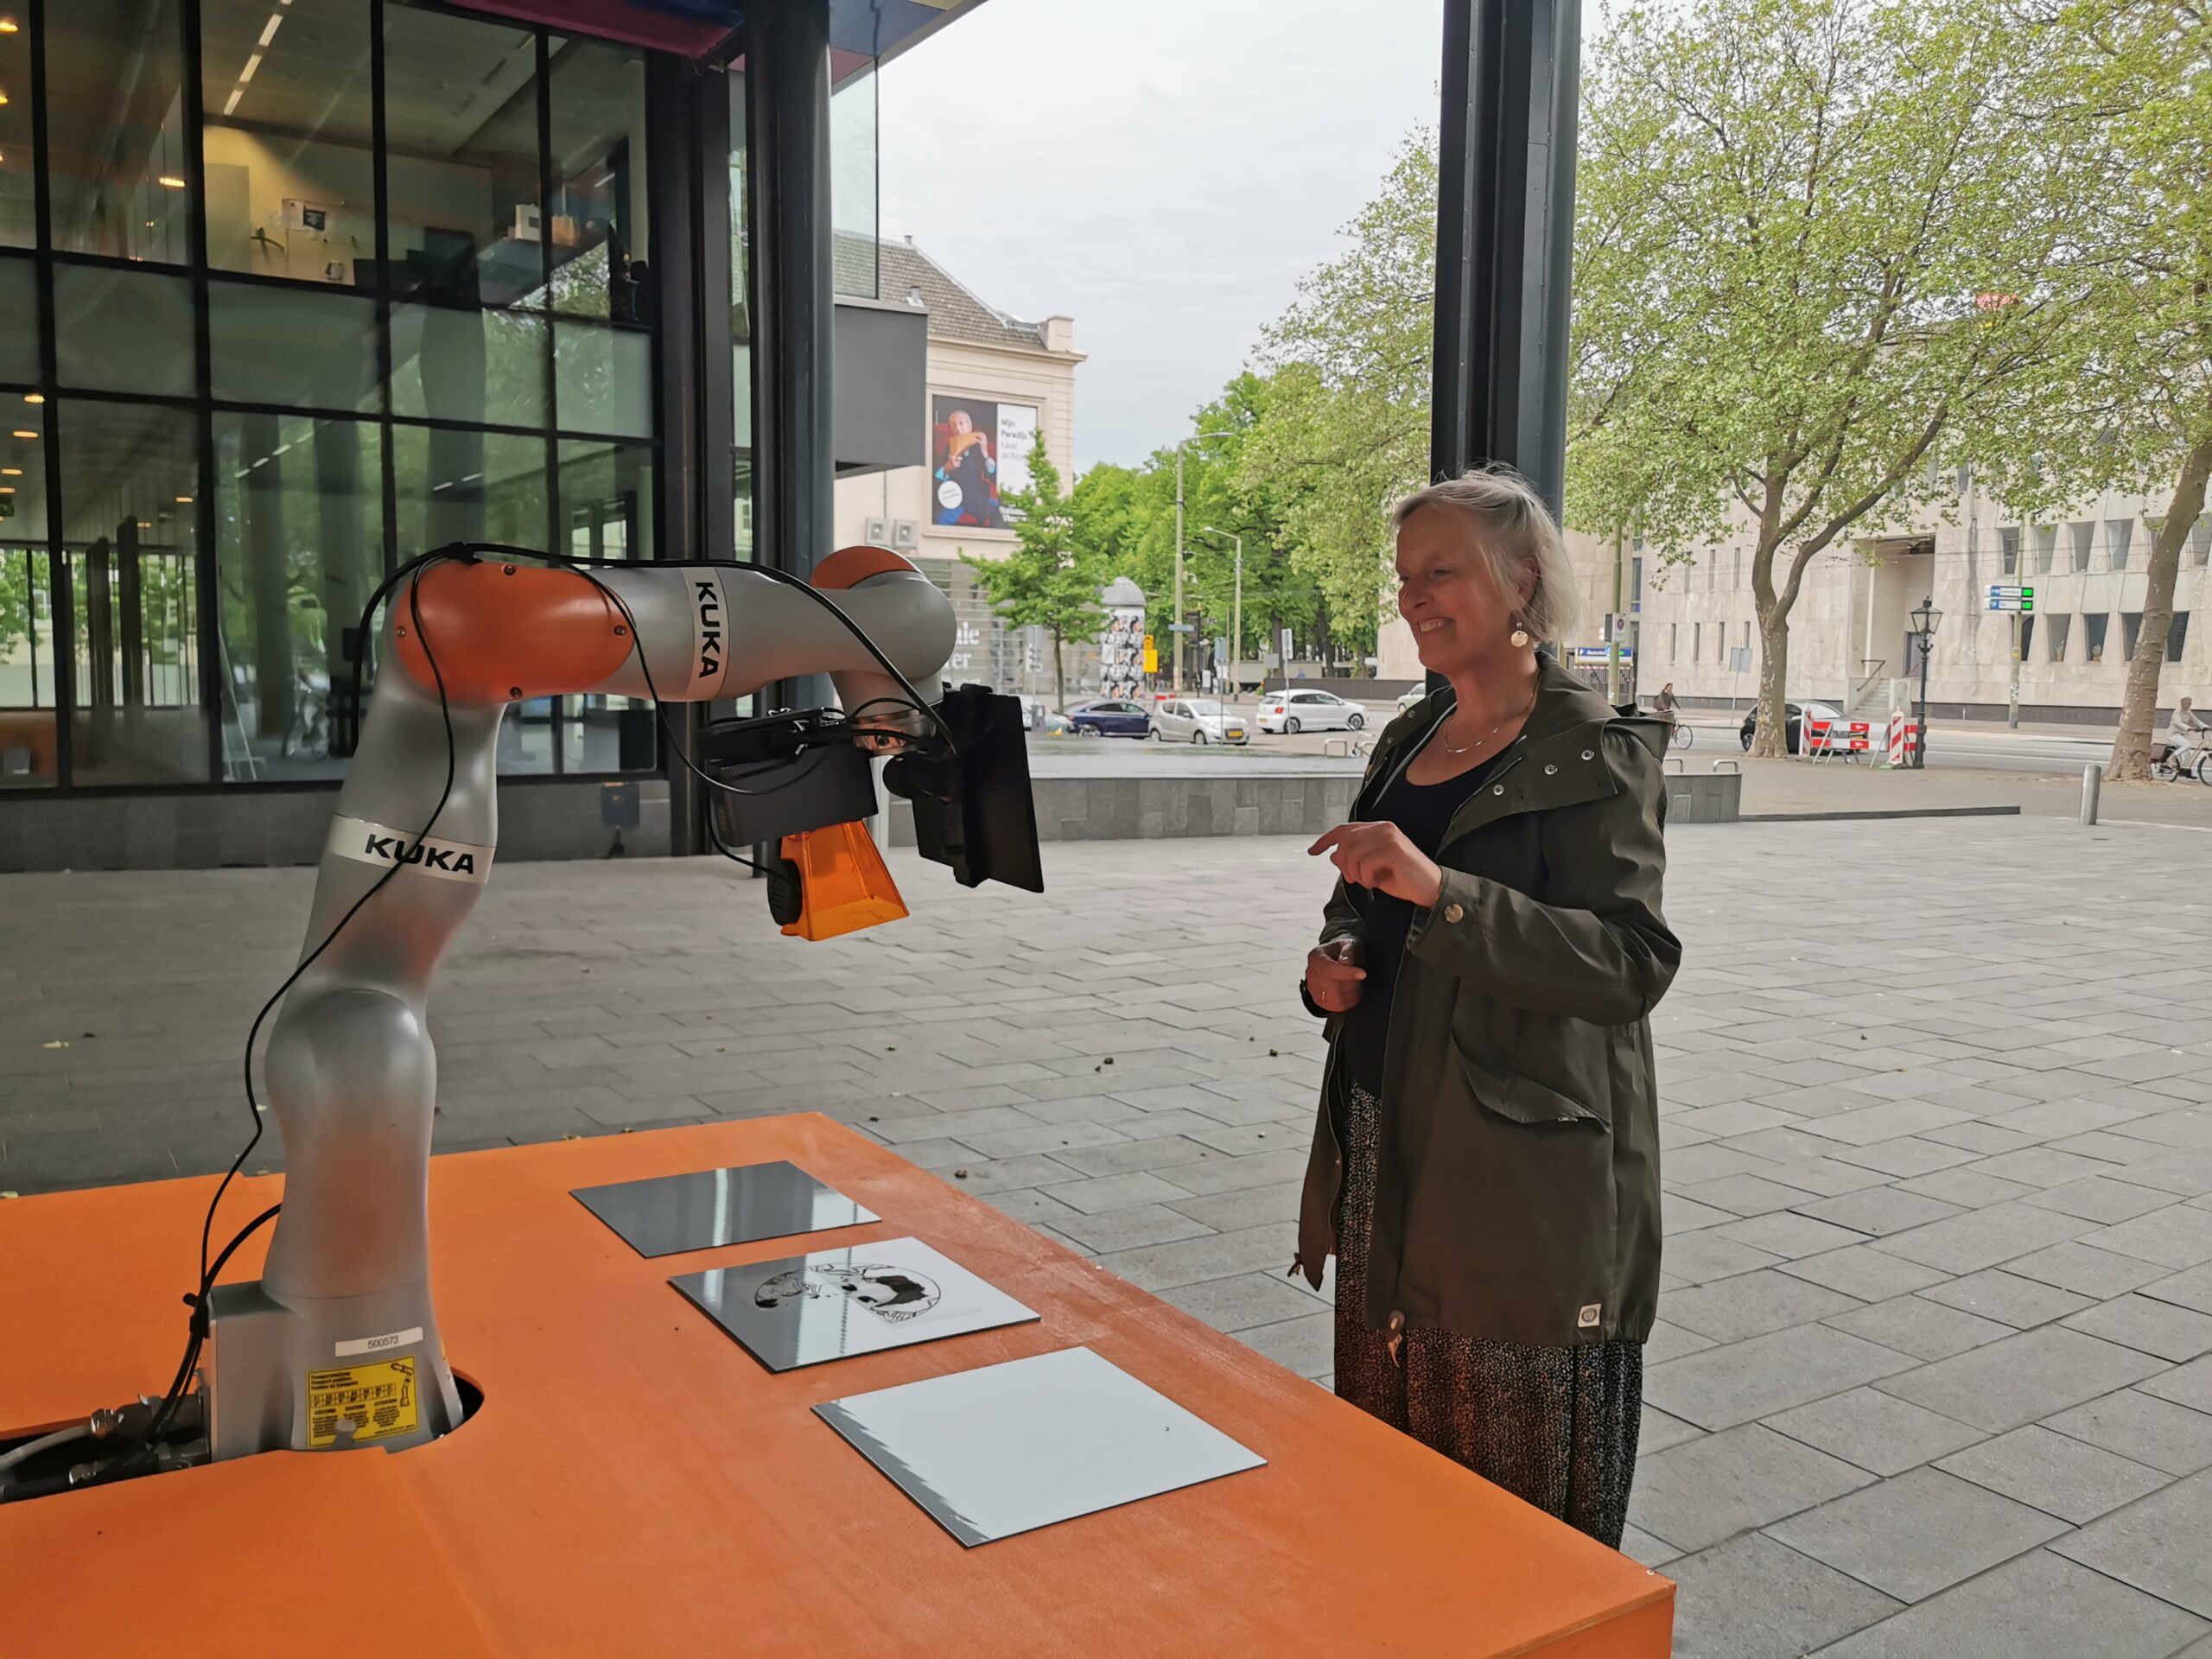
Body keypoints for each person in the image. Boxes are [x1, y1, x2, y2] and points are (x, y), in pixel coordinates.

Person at [1295, 466, 1680, 1548]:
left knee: (1511, 1505)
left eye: (1441, 572)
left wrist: (1443, 893)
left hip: (1515, 1169)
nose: (1413, 597)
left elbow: (1628, 965)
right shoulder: (1408, 736)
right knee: (1389, 1472)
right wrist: (1333, 957)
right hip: (1383, 1131)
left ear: (1522, 581)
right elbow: (1361, 898)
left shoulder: (1595, 751)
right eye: (1404, 576)